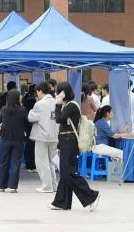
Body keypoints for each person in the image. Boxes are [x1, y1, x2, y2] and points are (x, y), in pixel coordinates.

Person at [51, 83, 100, 211]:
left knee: (68, 173)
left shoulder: (71, 105)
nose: (56, 94)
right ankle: (62, 202)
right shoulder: (67, 105)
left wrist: (57, 105)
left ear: (63, 93)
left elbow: (59, 119)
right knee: (64, 173)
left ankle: (91, 196)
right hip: (65, 140)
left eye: (58, 92)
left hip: (70, 141)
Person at [0, 91, 28, 193]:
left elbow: (0, 121)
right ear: (17, 98)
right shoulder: (23, 110)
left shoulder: (3, 109)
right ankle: (13, 187)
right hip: (19, 139)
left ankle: (1, 186)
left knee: (4, 162)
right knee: (16, 163)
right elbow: (26, 123)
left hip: (5, 139)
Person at [28, 84, 59, 193]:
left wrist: (30, 111)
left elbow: (31, 118)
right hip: (55, 135)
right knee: (51, 162)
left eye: (37, 91)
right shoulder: (56, 102)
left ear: (40, 91)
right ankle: (54, 185)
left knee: (42, 161)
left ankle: (47, 186)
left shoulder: (39, 104)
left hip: (42, 136)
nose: (37, 94)